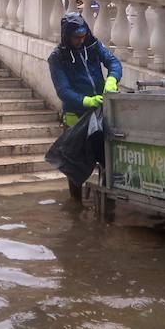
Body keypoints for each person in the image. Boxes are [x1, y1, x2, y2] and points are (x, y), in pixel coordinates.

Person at [48, 12, 122, 199]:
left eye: (82, 36)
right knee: (75, 164)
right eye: (76, 38)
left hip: (100, 113)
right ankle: (76, 203)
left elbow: (113, 62)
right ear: (67, 36)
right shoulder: (57, 58)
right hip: (76, 117)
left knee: (106, 158)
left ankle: (107, 199)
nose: (80, 41)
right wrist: (85, 101)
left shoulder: (93, 45)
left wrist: (112, 79)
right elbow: (63, 91)